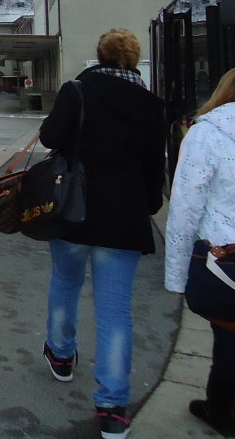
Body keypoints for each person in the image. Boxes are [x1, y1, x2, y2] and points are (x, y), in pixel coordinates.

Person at [37, 28, 166, 439]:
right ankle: (112, 408)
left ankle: (61, 356)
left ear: (100, 56)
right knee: (115, 312)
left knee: (65, 283)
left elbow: (49, 138)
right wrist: (145, 207)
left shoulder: (78, 90)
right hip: (124, 219)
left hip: (74, 212)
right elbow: (153, 170)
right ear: (133, 59)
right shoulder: (150, 104)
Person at [165, 67, 235, 436]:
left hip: (225, 259)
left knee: (228, 337)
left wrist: (178, 277)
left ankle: (222, 411)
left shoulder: (206, 133)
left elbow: (185, 208)